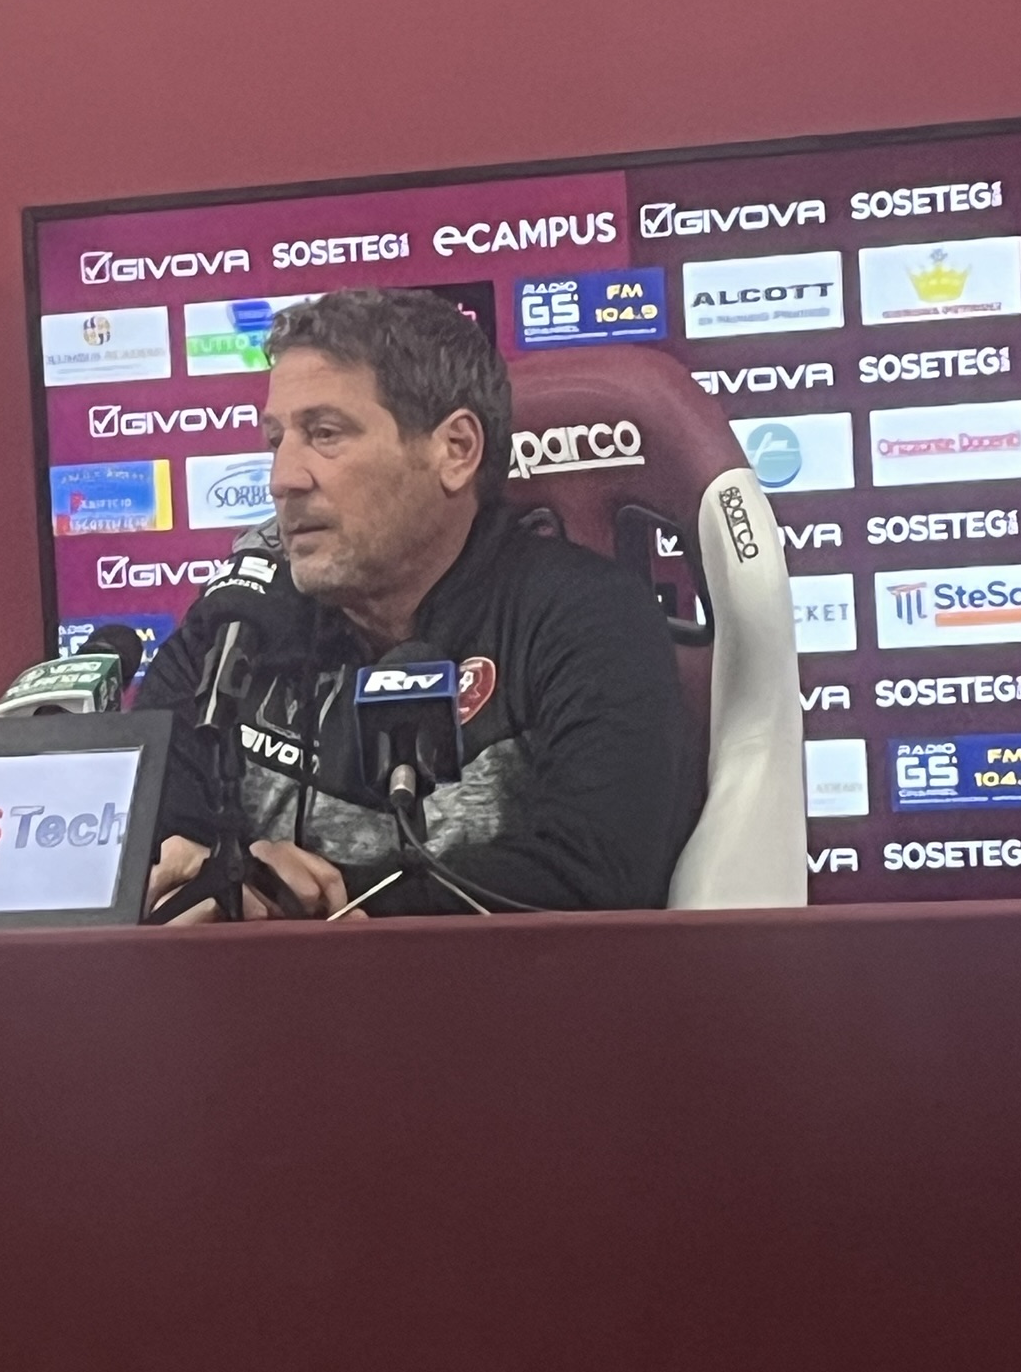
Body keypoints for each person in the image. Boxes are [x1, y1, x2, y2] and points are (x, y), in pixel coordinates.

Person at [139, 286, 686, 920]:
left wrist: (309, 905)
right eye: (276, 440)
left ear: (455, 450)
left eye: (325, 434)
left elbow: (597, 873)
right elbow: (146, 853)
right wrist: (200, 882)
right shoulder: (232, 625)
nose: (282, 479)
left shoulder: (586, 616)